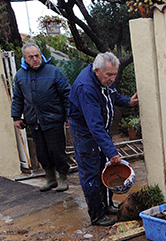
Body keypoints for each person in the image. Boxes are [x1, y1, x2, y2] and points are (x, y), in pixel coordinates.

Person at [68, 52, 138, 227]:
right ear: (97, 70)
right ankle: (97, 215)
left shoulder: (103, 80)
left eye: (115, 74)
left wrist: (128, 102)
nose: (113, 79)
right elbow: (94, 126)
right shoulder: (86, 87)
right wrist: (112, 153)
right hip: (85, 134)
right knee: (91, 173)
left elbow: (112, 96)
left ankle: (107, 205)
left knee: (105, 169)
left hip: (100, 131)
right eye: (109, 75)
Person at [11, 41, 71, 192]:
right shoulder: (20, 76)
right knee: (42, 153)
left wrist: (70, 115)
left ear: (41, 55)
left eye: (37, 55)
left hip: (54, 120)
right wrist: (16, 117)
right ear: (25, 58)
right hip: (34, 121)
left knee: (57, 151)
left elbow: (66, 94)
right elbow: (18, 98)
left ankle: (63, 177)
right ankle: (50, 179)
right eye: (31, 57)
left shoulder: (53, 72)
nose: (35, 59)